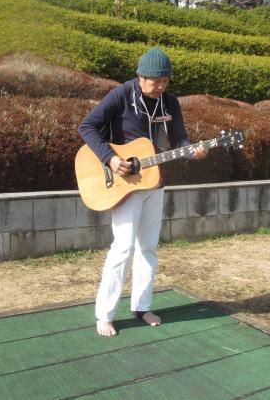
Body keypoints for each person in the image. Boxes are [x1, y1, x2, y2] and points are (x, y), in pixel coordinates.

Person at [78, 47, 207, 337]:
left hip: (155, 183)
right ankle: (105, 314)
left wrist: (193, 151)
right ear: (140, 77)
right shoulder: (121, 96)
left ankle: (142, 306)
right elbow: (87, 127)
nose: (160, 86)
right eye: (154, 81)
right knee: (122, 248)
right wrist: (110, 158)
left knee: (148, 247)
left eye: (165, 81)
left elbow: (180, 140)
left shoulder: (170, 103)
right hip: (124, 186)